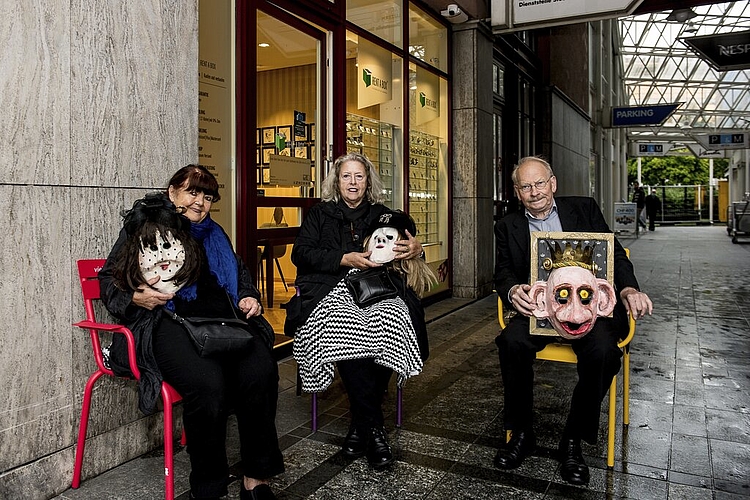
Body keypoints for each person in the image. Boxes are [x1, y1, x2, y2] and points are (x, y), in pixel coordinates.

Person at [99, 165, 284, 500]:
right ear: (173, 193)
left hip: (223, 321)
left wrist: (248, 295)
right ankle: (208, 485)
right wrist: (136, 297)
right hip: (166, 320)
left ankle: (256, 476)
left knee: (261, 370)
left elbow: (239, 273)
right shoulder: (148, 227)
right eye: (193, 192)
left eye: (208, 195)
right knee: (207, 383)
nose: (200, 202)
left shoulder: (215, 233)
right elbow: (109, 281)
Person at [494, 156, 652, 486]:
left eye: (540, 183)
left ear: (553, 183)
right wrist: (511, 291)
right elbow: (504, 272)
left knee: (605, 351)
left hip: (590, 309)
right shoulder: (507, 226)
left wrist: (628, 289)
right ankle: (521, 433)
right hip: (541, 310)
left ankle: (572, 440)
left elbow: (615, 253)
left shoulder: (584, 209)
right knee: (512, 342)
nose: (534, 192)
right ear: (516, 191)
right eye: (526, 186)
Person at [286, 152, 429, 469]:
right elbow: (301, 254)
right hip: (327, 288)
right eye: (346, 176)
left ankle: (360, 425)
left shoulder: (382, 214)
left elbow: (406, 238)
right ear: (337, 181)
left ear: (368, 181)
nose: (353, 182)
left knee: (391, 323)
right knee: (347, 330)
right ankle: (372, 428)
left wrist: (418, 248)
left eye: (359, 176)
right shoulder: (320, 214)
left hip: (375, 287)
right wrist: (345, 258)